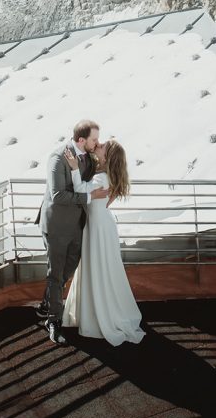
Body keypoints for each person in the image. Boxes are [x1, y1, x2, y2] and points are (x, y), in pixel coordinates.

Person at [63, 139, 145, 346]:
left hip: (98, 228)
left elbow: (80, 190)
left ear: (106, 157)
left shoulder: (100, 177)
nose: (98, 145)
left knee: (98, 267)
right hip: (101, 225)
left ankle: (99, 313)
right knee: (103, 268)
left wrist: (73, 168)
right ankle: (101, 307)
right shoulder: (104, 175)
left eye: (102, 146)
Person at [37, 120, 109, 345]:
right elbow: (58, 195)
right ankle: (53, 321)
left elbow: (86, 183)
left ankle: (48, 301)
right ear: (81, 140)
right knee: (55, 274)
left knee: (68, 268)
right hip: (57, 227)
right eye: (94, 139)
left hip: (77, 226)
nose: (97, 142)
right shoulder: (58, 158)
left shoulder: (87, 157)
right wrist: (90, 197)